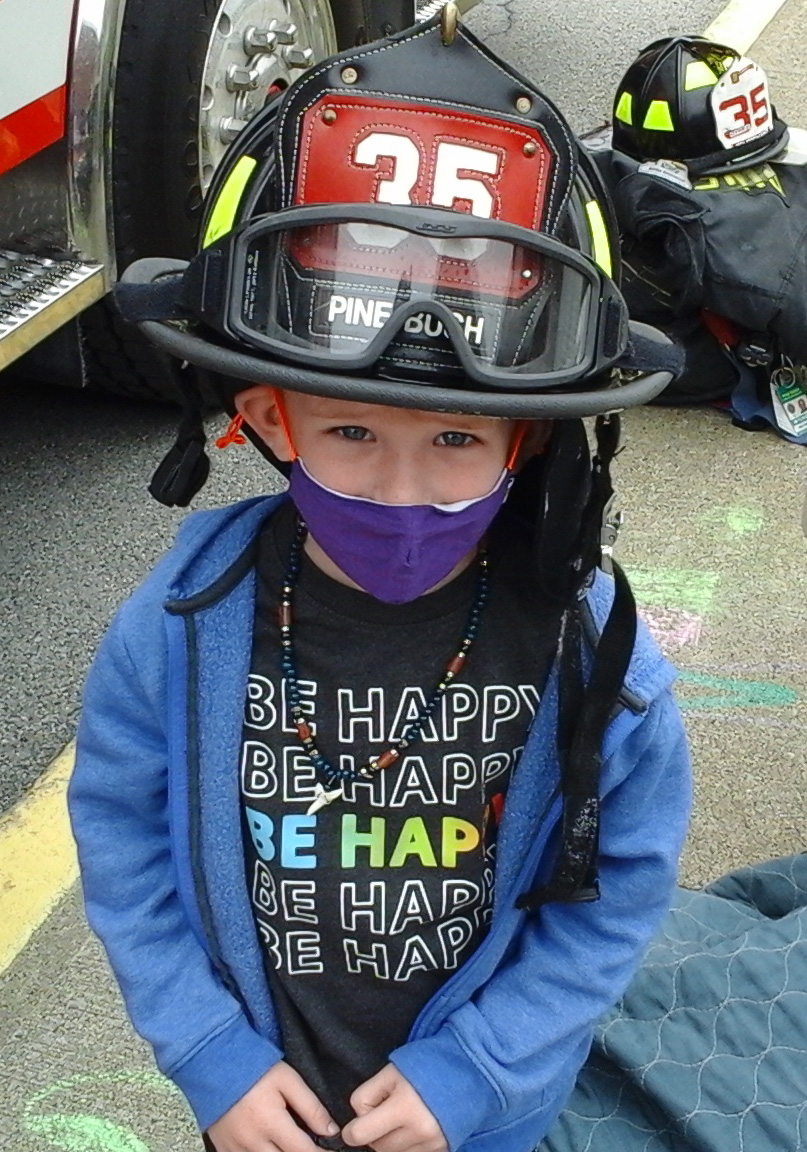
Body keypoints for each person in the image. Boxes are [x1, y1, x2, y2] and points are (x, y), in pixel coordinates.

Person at [67, 10, 692, 1152]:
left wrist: (484, 1071)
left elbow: (626, 877)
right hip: (259, 1108)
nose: (403, 495)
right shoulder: (179, 620)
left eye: (458, 440)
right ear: (266, 416)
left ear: (531, 441)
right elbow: (122, 836)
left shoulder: (586, 637)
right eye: (351, 430)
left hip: (483, 1116)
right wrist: (209, 1050)